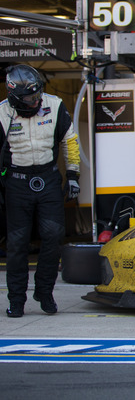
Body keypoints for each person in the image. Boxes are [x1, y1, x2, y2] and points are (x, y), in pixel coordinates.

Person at [0, 65, 80, 318]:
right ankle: (16, 300)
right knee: (17, 243)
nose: (35, 101)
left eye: (37, 95)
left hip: (47, 178)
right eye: (29, 99)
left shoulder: (54, 105)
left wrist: (73, 175)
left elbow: (69, 139)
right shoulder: (2, 113)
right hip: (16, 181)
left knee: (54, 234)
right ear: (14, 97)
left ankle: (44, 292)